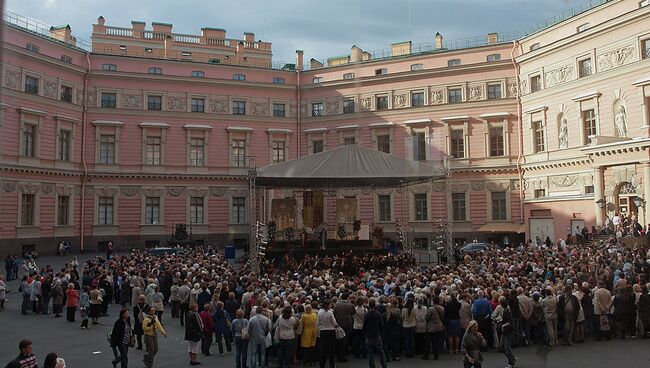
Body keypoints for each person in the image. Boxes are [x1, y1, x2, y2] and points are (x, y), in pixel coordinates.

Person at [363, 298, 387, 368]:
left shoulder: (367, 315)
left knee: (370, 353)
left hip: (369, 335)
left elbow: (364, 326)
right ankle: (384, 365)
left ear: (369, 305)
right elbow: (381, 325)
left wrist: (365, 334)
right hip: (377, 334)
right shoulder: (378, 314)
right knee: (381, 352)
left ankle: (372, 366)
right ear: (375, 305)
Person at [317, 300, 338, 368]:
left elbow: (317, 323)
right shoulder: (330, 313)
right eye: (330, 304)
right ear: (327, 305)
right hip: (331, 332)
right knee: (331, 350)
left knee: (323, 350)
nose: (331, 306)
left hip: (323, 332)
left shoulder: (319, 312)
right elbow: (334, 323)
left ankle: (322, 365)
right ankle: (332, 365)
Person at [423, 295, 445, 360]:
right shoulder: (442, 308)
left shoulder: (431, 309)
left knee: (428, 342)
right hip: (439, 326)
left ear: (433, 301)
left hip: (431, 327)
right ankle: (436, 355)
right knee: (436, 342)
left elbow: (426, 317)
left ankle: (426, 355)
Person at [497, 297, 517, 368]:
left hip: (507, 330)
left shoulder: (507, 311)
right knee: (502, 346)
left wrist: (502, 325)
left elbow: (510, 322)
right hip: (505, 331)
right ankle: (512, 358)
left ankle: (511, 362)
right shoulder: (506, 310)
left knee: (506, 347)